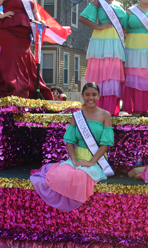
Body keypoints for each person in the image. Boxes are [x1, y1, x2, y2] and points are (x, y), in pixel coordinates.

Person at [30, 83, 114, 211]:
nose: (90, 98)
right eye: (87, 95)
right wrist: (74, 160)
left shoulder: (105, 115)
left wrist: (91, 161)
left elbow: (106, 143)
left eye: (94, 95)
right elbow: (69, 141)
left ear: (99, 96)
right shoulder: (77, 116)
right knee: (61, 174)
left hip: (96, 159)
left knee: (80, 176)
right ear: (82, 96)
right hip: (77, 156)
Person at [79, 0, 126, 115]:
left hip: (116, 41)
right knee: (100, 75)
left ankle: (111, 111)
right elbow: (82, 18)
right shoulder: (98, 2)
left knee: (113, 76)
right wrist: (98, 27)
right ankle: (96, 111)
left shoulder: (120, 5)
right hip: (101, 39)